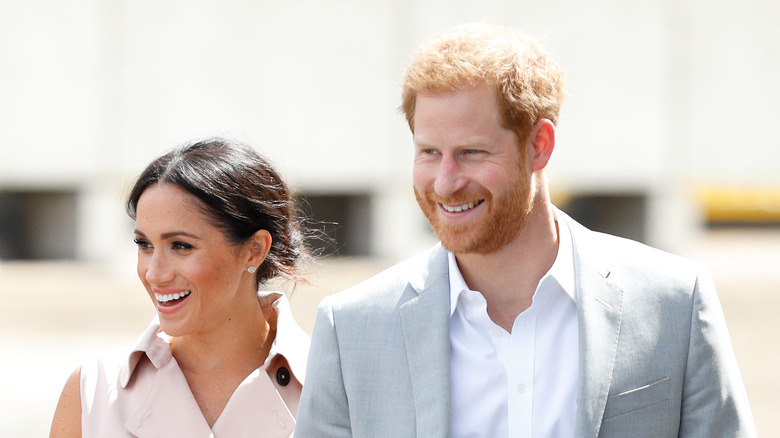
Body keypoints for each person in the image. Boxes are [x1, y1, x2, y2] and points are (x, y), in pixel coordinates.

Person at [296, 23, 756, 437]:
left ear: (539, 145)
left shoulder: (674, 303)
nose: (445, 182)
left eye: (472, 152)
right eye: (429, 152)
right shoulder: (351, 329)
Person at [50, 138, 311, 437]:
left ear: (253, 250)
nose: (154, 273)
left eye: (181, 246)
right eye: (144, 244)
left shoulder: (333, 388)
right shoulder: (92, 391)